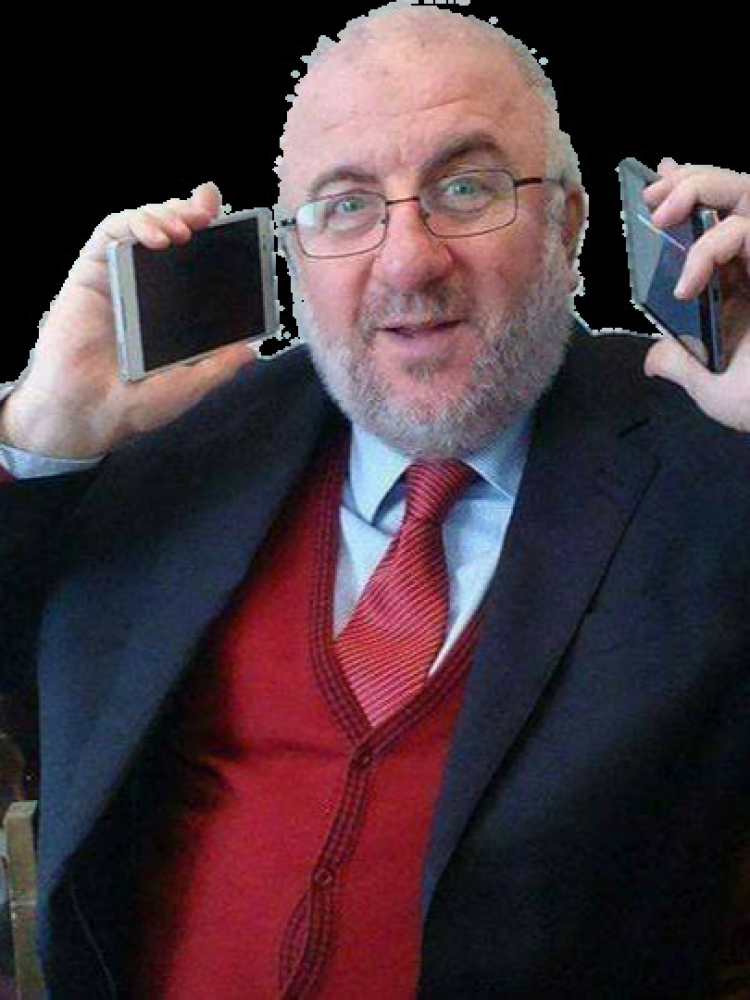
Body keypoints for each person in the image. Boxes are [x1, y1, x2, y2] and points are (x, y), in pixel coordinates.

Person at [1, 4, 749, 998]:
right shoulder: (180, 442)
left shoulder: (705, 454)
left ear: (568, 223)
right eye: (346, 205)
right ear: (291, 252)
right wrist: (41, 433)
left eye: (468, 187)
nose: (408, 260)